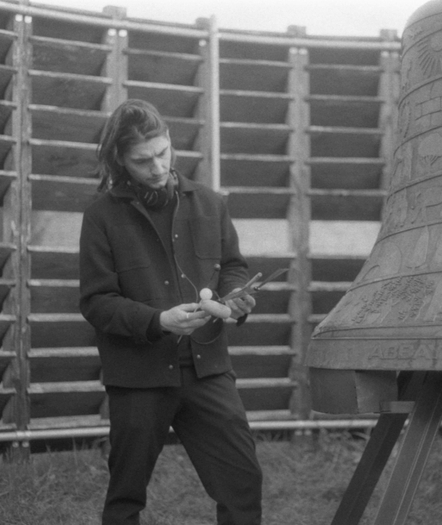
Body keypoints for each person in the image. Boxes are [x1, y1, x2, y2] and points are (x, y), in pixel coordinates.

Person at [79, 99, 263, 525]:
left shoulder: (212, 203)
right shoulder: (101, 216)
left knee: (243, 482)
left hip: (209, 370)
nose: (157, 167)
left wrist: (235, 296)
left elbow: (233, 266)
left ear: (170, 145)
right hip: (138, 376)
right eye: (142, 161)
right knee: (126, 496)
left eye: (162, 153)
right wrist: (157, 321)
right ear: (120, 161)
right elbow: (95, 301)